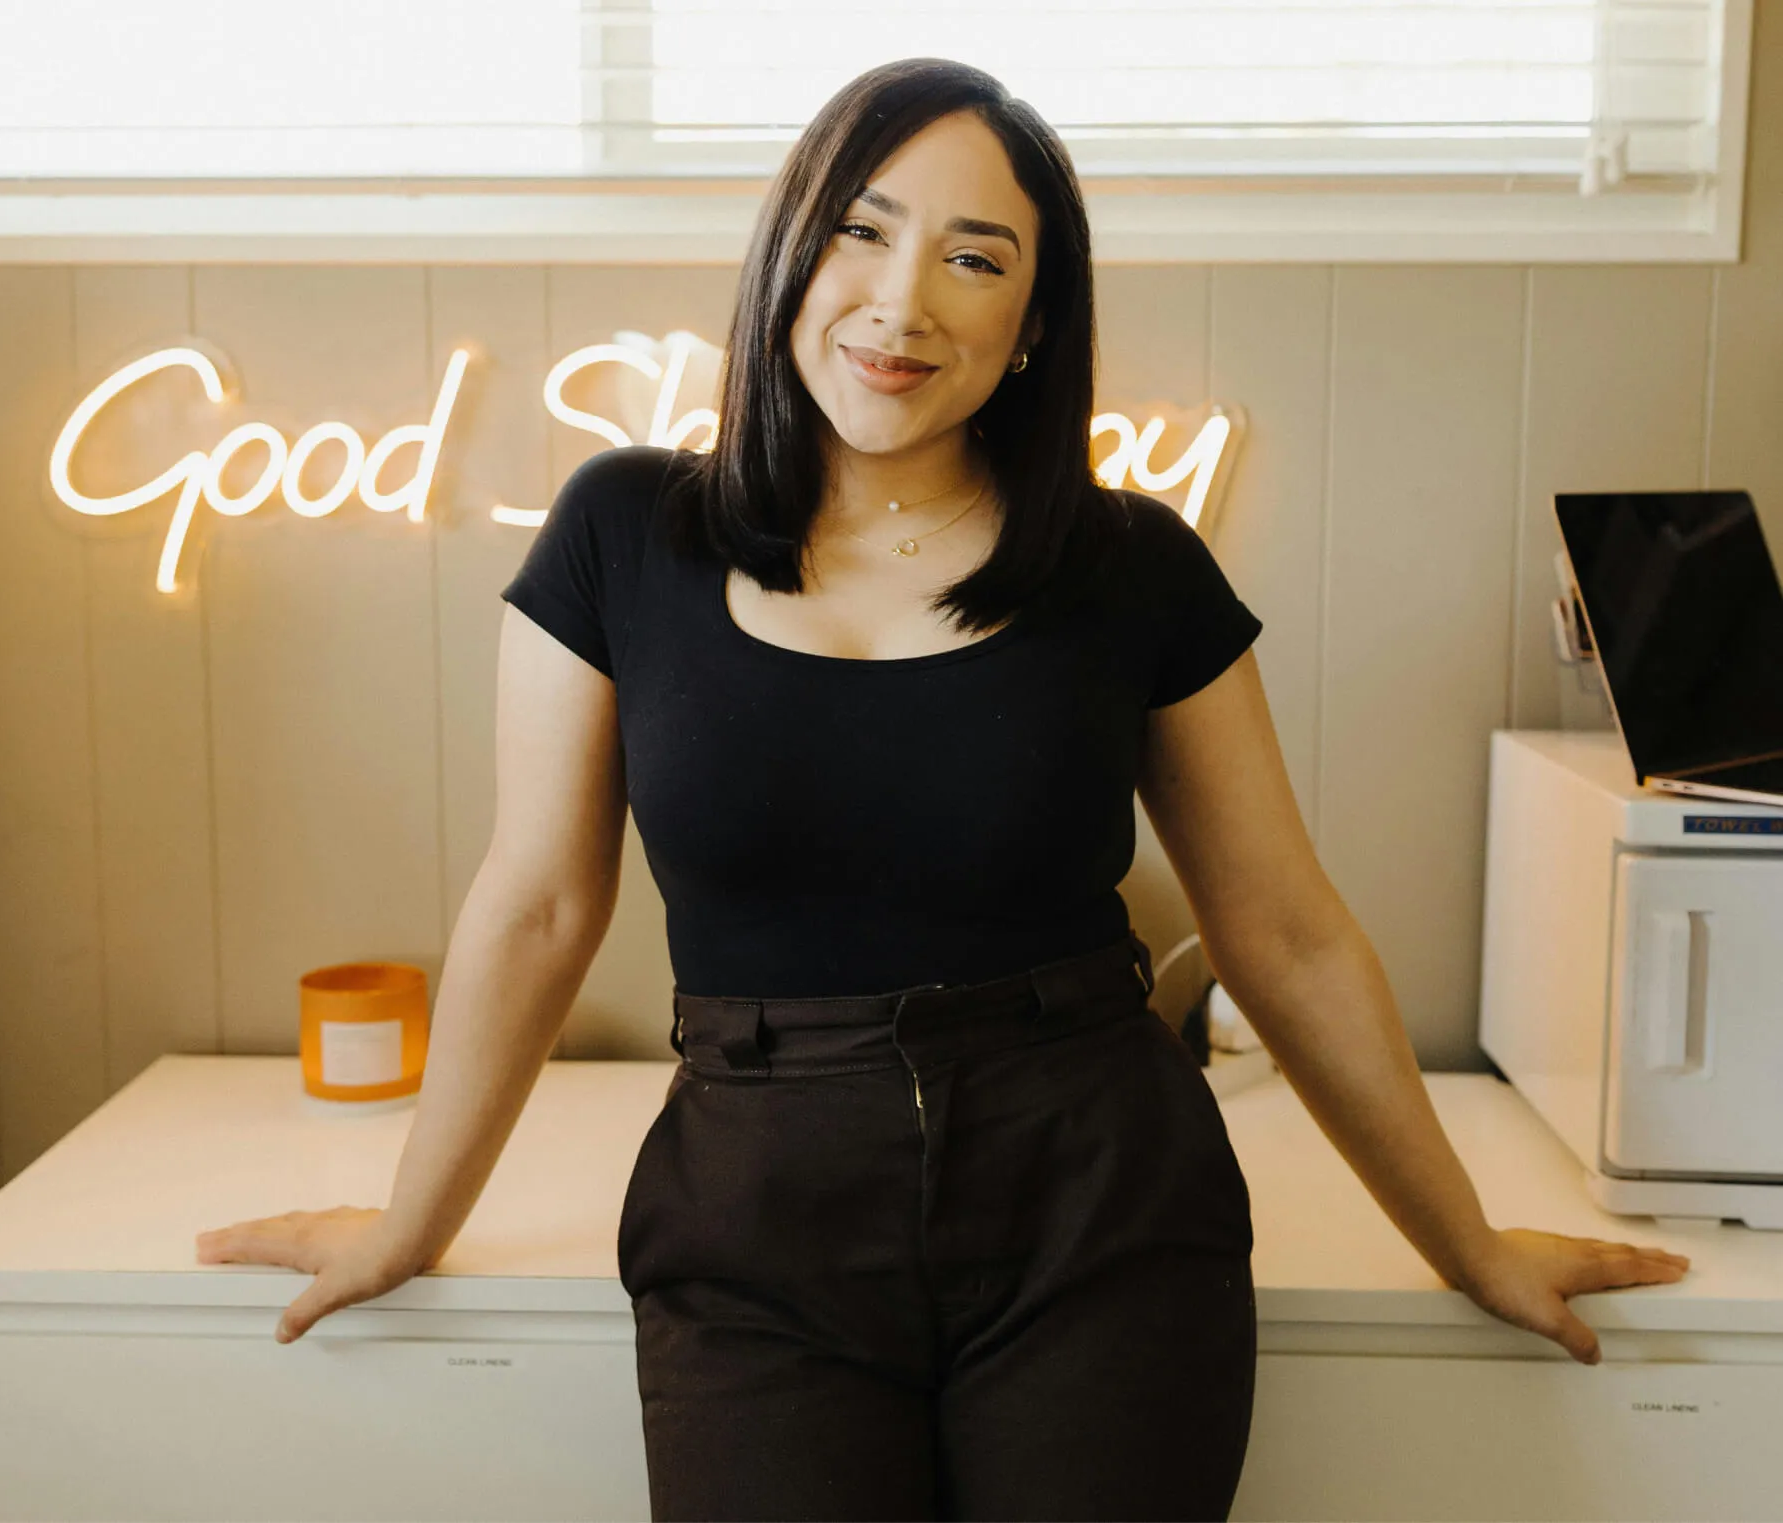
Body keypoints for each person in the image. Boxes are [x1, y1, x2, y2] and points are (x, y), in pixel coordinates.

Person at [195, 55, 1692, 1523]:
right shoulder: (619, 536)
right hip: (755, 1220)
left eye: (975, 258)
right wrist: (411, 1221)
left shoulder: (1129, 565)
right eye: (863, 228)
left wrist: (1466, 1241)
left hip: (1099, 1209)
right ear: (791, 248)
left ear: (1034, 321)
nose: (902, 302)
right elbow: (536, 907)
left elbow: (1285, 928)